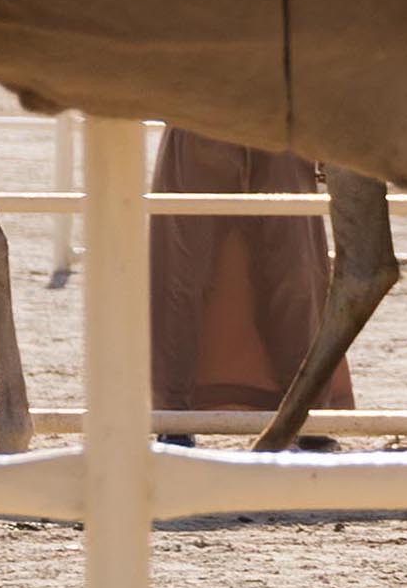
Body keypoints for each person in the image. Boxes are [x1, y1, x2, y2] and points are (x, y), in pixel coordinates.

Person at [151, 127, 355, 423]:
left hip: (280, 122)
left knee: (297, 269)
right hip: (200, 113)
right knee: (183, 272)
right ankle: (171, 414)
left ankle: (308, 412)